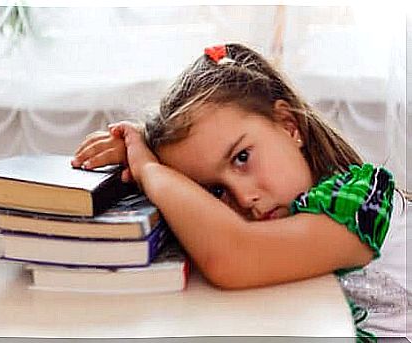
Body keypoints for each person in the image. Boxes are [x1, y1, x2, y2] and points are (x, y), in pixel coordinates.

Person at [71, 43, 410, 340]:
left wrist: (148, 169)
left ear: (289, 126)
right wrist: (144, 152)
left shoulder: (364, 201)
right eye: (215, 190)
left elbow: (232, 256)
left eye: (242, 157)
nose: (244, 198)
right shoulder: (285, 216)